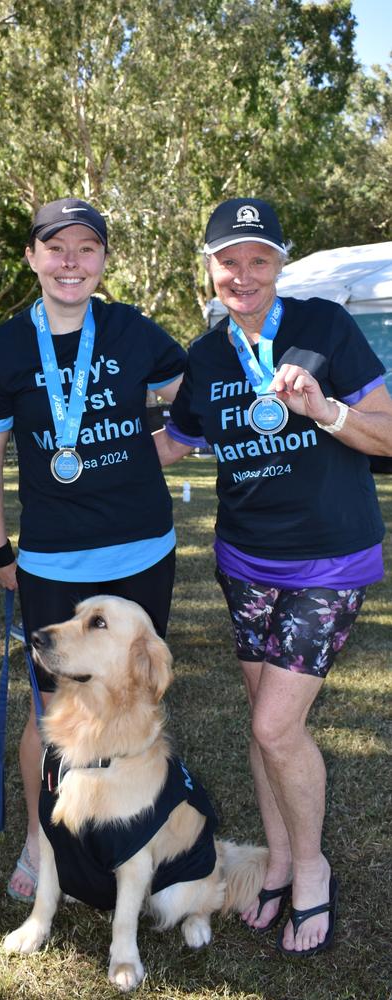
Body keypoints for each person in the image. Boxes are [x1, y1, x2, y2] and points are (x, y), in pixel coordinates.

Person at [154, 197, 392, 957]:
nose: (244, 274)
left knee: (273, 726)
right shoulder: (207, 356)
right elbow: (174, 443)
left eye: (259, 259)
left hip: (329, 559)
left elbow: (387, 430)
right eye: (230, 260)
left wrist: (324, 409)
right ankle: (281, 857)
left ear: (280, 263)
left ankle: (313, 867)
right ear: (211, 268)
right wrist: (91, 437)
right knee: (265, 725)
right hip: (243, 561)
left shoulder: (326, 326)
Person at [0, 198, 187, 901]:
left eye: (86, 248)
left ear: (102, 261)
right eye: (55, 247)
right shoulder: (2, 349)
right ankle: (42, 845)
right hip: (55, 561)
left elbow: (188, 393)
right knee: (52, 712)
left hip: (144, 551)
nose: (71, 262)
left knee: (133, 699)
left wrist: (162, 444)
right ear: (31, 256)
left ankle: (132, 836)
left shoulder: (131, 330)